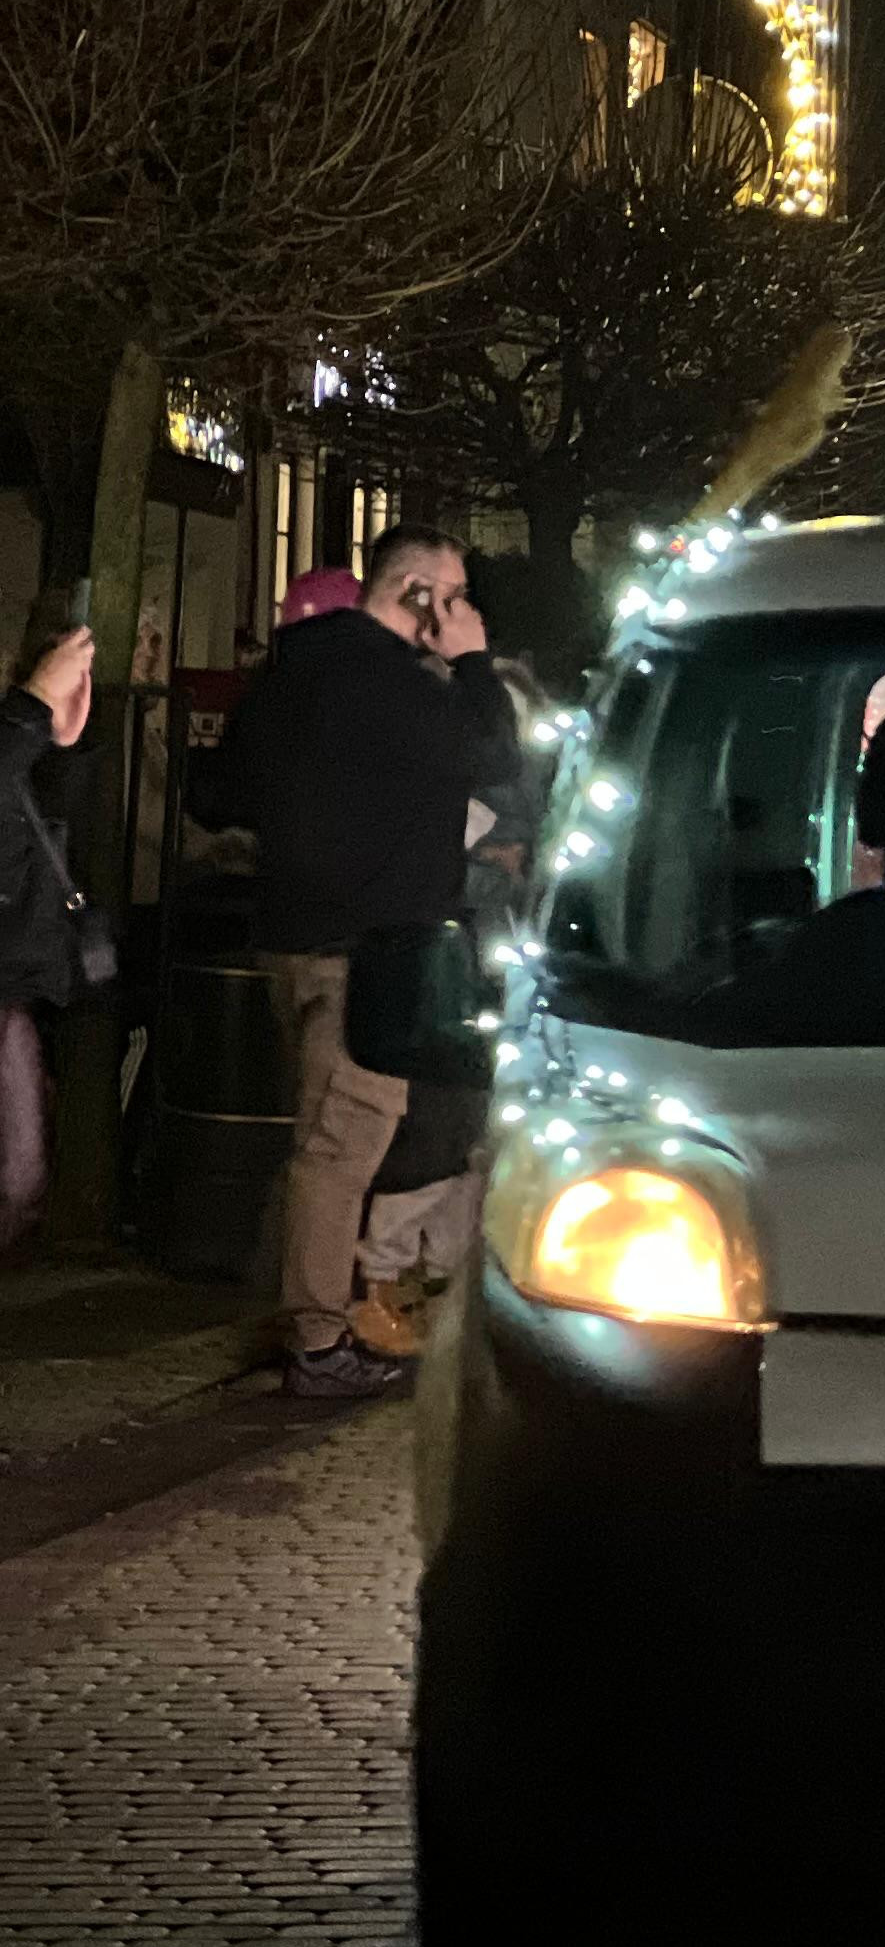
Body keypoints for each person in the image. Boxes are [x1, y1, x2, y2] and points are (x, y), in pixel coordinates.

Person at [202, 528, 515, 1401]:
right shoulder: (406, 689)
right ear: (413, 592)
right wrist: (473, 662)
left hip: (291, 932)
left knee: (318, 1132)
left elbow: (219, 794)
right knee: (345, 1142)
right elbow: (496, 757)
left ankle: (294, 1307)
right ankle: (316, 1336)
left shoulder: (292, 673)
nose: (460, 611)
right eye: (451, 595)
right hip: (371, 949)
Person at [0, 622, 99, 1259]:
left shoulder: (33, 754)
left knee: (24, 1174)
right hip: (13, 979)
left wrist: (58, 736)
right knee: (21, 1170)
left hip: (15, 986)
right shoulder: (12, 743)